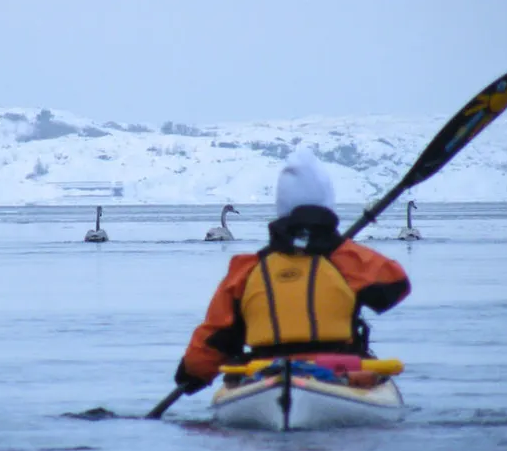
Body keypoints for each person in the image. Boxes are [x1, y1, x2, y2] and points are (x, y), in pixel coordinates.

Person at [174, 148, 411, 394]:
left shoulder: (246, 271)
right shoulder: (349, 261)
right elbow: (396, 286)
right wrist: (339, 248)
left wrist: (191, 375)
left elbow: (213, 340)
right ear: (327, 204)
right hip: (338, 374)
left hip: (264, 373)